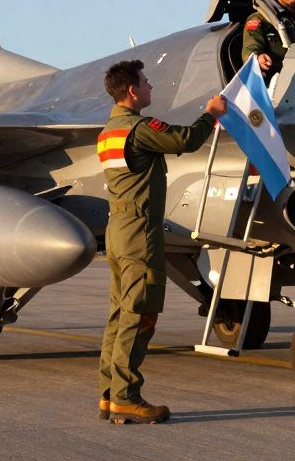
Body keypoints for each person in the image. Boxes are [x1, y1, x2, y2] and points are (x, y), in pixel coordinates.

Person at [96, 60, 226, 424]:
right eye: (146, 82)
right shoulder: (138, 128)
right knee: (140, 315)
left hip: (118, 229)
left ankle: (109, 395)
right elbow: (185, 140)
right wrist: (210, 114)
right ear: (133, 91)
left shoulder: (109, 131)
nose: (151, 87)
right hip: (139, 233)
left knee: (120, 315)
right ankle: (126, 397)